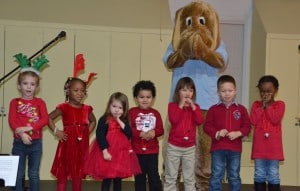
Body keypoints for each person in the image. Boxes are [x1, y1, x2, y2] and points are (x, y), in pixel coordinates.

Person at [84, 92, 141, 191]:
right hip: (107, 152)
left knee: (117, 179)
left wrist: (119, 120)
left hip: (119, 156)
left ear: (124, 109)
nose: (116, 110)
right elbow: (100, 135)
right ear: (109, 105)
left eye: (120, 108)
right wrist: (105, 151)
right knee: (107, 178)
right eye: (114, 106)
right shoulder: (104, 119)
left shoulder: (124, 121)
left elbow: (129, 134)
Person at [203, 75, 251, 191]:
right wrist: (217, 133)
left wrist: (239, 133)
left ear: (235, 91)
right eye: (223, 91)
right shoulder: (213, 109)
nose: (227, 94)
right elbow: (207, 126)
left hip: (235, 149)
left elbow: (247, 126)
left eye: (230, 90)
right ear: (218, 92)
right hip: (218, 148)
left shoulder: (242, 109)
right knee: (216, 175)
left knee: (234, 175)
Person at [48, 77, 97, 191]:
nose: (80, 93)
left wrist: (86, 133)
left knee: (78, 174)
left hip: (81, 147)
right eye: (76, 90)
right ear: (68, 91)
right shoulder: (63, 107)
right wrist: (57, 131)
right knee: (63, 173)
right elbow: (48, 118)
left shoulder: (87, 109)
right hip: (67, 145)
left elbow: (93, 121)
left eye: (82, 90)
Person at [8, 69, 49, 191]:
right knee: (18, 174)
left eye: (32, 84)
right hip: (19, 143)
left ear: (37, 87)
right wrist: (22, 134)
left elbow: (45, 119)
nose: (29, 87)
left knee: (34, 174)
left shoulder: (40, 102)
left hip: (36, 143)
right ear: (19, 86)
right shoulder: (14, 102)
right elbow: (12, 121)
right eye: (25, 83)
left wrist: (29, 128)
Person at [164, 77, 204, 191]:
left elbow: (200, 120)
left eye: (191, 90)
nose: (188, 93)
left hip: (189, 148)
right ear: (178, 92)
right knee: (171, 176)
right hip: (174, 147)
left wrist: (193, 107)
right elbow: (174, 120)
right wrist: (181, 105)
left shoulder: (195, 108)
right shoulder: (172, 106)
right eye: (184, 90)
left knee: (189, 177)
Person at [250, 75, 285, 191]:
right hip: (259, 147)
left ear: (275, 90)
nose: (265, 94)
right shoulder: (256, 104)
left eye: (269, 91)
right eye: (262, 91)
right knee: (259, 173)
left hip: (274, 148)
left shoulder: (280, 105)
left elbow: (275, 119)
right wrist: (262, 107)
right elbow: (253, 121)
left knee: (273, 174)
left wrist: (268, 106)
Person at [129, 80, 164, 191]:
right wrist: (139, 133)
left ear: (153, 98)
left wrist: (154, 133)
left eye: (148, 97)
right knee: (139, 178)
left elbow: (161, 129)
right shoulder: (131, 112)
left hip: (152, 151)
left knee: (154, 177)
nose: (145, 100)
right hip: (137, 151)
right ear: (135, 98)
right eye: (141, 97)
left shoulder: (156, 113)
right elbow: (128, 129)